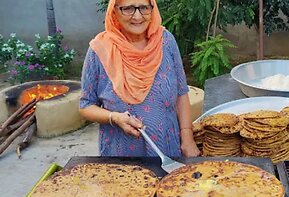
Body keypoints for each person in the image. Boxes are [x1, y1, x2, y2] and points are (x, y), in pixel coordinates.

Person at [79, 0, 200, 158]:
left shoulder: (166, 41)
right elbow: (86, 106)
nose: (137, 16)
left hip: (168, 149)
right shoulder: (99, 50)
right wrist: (114, 117)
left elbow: (181, 93)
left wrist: (187, 137)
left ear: (152, 8)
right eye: (128, 8)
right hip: (121, 157)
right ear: (114, 10)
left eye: (144, 8)